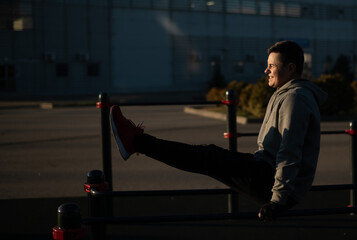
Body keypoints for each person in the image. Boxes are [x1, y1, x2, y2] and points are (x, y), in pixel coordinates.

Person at [110, 41, 328, 221]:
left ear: (291, 68)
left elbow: (290, 153)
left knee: (207, 157)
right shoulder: (288, 94)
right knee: (207, 157)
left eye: (272, 65)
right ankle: (136, 141)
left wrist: (277, 201)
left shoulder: (295, 98)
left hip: (271, 183)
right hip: (266, 173)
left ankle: (136, 141)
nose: (266, 70)